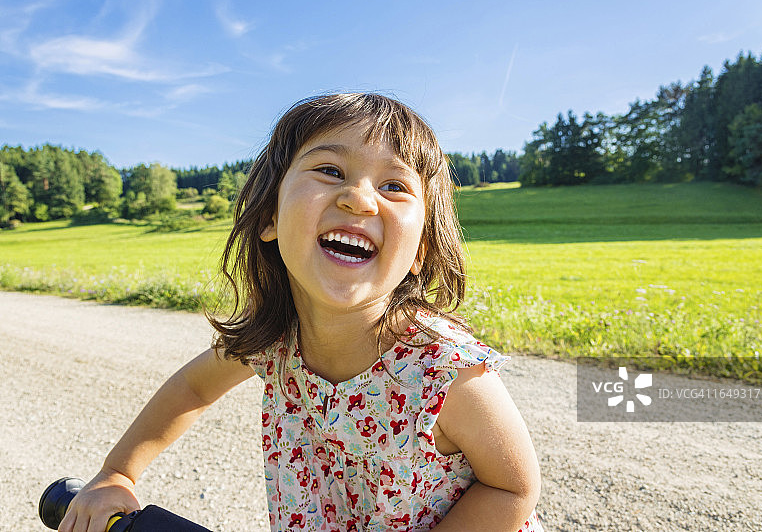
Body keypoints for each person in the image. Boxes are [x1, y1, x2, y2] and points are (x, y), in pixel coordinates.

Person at [58, 93, 544, 532]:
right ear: (269, 216)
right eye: (330, 170)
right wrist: (118, 473)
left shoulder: (443, 371)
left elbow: (513, 488)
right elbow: (192, 387)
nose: (359, 197)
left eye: (395, 185)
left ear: (419, 250)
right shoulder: (275, 342)